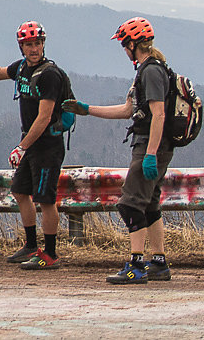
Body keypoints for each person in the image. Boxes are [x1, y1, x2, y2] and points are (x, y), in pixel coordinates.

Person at [63, 17, 175, 285]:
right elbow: (128, 110)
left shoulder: (150, 71)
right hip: (154, 145)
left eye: (125, 45)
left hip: (151, 146)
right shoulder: (152, 69)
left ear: (133, 44)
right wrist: (87, 109)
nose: (124, 51)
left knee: (130, 204)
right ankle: (158, 263)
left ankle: (137, 265)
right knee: (149, 204)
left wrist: (149, 153)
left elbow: (158, 115)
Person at [0, 21, 72, 269]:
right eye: (28, 44)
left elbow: (44, 117)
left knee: (46, 200)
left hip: (47, 145)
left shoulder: (49, 74)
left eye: (37, 43)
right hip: (31, 144)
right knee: (20, 192)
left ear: (43, 44)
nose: (34, 49)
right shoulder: (22, 69)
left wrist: (22, 147)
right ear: (21, 46)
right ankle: (31, 246)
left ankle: (50, 254)